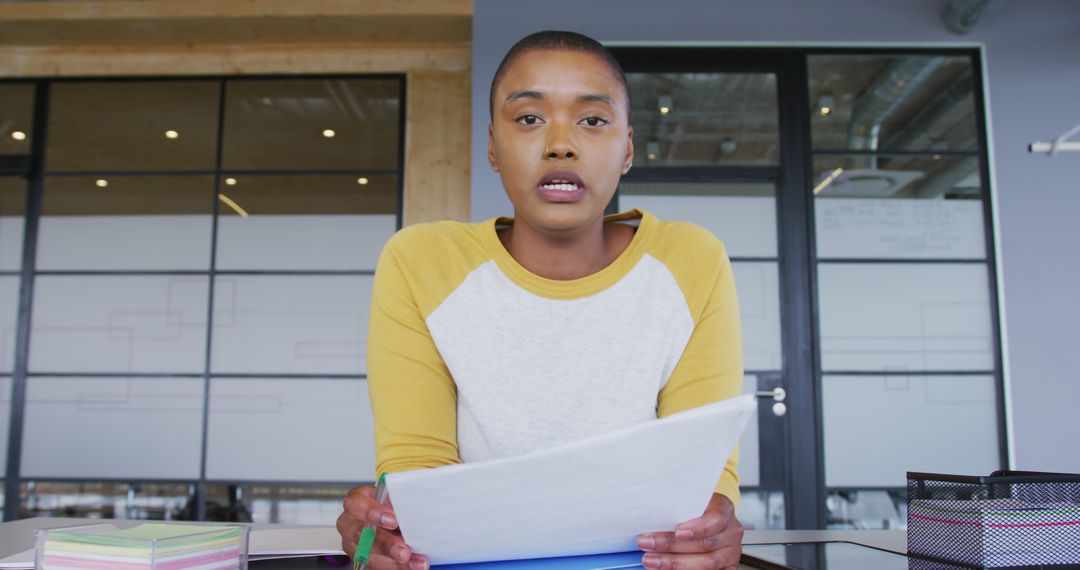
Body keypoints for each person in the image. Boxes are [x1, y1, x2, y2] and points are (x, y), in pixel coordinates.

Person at [337, 30, 745, 570]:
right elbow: (417, 469)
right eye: (528, 119)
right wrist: (391, 529)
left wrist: (712, 525)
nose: (560, 143)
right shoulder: (421, 262)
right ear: (491, 148)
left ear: (627, 149)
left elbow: (702, 473)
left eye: (593, 120)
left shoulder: (692, 260)